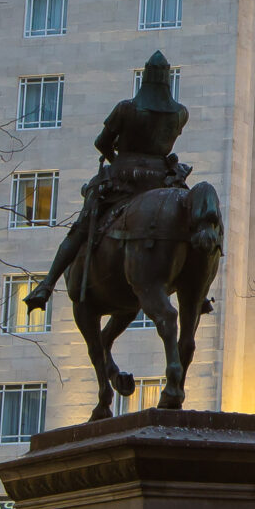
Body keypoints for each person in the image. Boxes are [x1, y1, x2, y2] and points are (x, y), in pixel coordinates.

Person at [24, 52, 192, 314]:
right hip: (164, 180)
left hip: (123, 177)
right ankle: (195, 288)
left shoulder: (126, 108)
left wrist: (116, 158)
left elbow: (101, 143)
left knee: (80, 229)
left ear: (145, 78)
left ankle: (46, 284)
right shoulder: (180, 113)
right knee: (189, 225)